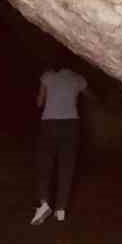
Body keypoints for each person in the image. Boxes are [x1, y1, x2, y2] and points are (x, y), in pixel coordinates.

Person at [31, 62, 87, 224]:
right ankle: (61, 210)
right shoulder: (78, 79)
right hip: (71, 125)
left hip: (49, 123)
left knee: (45, 163)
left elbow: (39, 103)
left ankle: (44, 204)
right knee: (66, 166)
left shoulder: (48, 76)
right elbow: (90, 95)